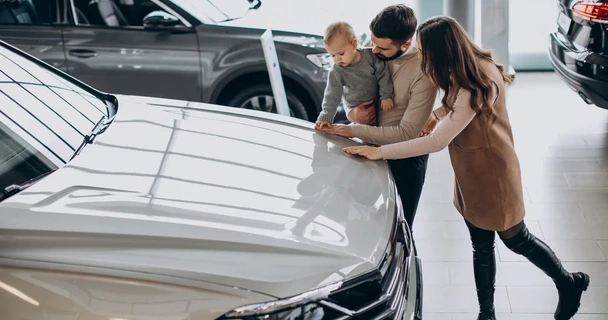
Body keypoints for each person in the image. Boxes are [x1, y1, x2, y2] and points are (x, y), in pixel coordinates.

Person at [342, 16, 589, 320]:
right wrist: (435, 113)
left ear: (443, 51)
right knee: (481, 245)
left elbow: (438, 141)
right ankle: (487, 314)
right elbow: (454, 103)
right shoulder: (467, 66)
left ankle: (568, 282)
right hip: (471, 171)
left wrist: (379, 151)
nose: (425, 58)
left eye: (427, 52)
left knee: (516, 238)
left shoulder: (477, 82)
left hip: (494, 175)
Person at [316, 5, 438, 235]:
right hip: (368, 149)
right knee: (355, 228)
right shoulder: (369, 55)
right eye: (371, 42)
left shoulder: (424, 72)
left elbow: (407, 133)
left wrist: (353, 130)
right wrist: (353, 114)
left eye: (382, 47)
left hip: (405, 159)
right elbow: (351, 93)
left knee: (400, 231)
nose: (373, 50)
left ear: (406, 43)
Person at [316, 21, 394, 129]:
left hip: (377, 104)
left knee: (378, 131)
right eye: (332, 55)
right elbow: (332, 95)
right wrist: (326, 116)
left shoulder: (371, 56)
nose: (337, 59)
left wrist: (386, 96)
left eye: (341, 53)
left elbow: (383, 74)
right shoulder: (337, 71)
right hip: (355, 108)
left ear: (354, 44)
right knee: (364, 134)